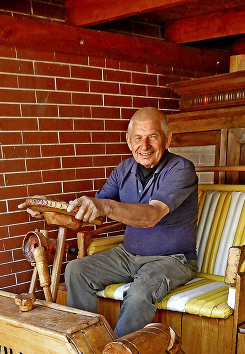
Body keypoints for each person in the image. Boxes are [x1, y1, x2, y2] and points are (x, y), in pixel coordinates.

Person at [23, 107, 199, 338]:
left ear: (167, 139)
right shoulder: (123, 170)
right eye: (138, 138)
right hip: (129, 255)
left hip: (172, 260)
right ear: (128, 141)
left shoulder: (181, 169)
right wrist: (50, 208)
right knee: (77, 269)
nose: (144, 146)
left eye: (153, 137)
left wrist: (106, 206)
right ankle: (85, 342)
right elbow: (92, 213)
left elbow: (151, 216)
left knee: (139, 291)